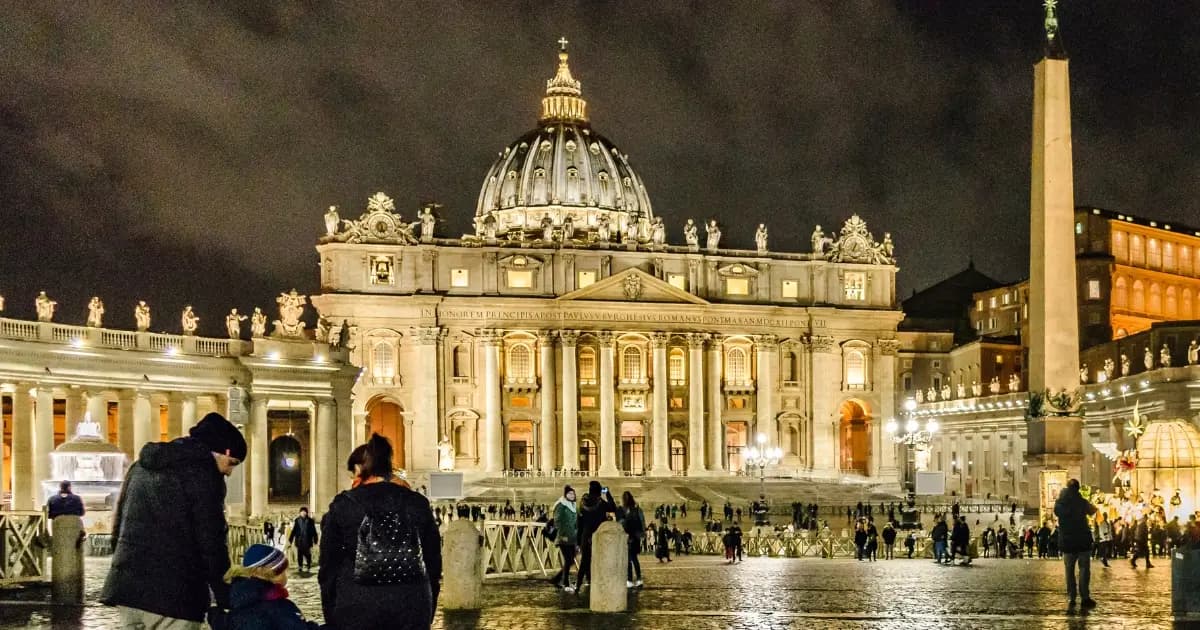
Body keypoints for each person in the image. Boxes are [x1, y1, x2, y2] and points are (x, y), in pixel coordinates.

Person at [101, 412, 246, 628]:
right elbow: (211, 543)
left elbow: (118, 526)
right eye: (232, 462)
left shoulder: (139, 467)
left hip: (128, 593)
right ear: (221, 451)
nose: (230, 472)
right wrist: (225, 596)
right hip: (175, 594)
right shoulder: (204, 476)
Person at [318, 434, 442, 629]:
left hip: (356, 604)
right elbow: (433, 561)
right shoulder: (417, 503)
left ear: (359, 469)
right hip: (412, 604)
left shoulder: (343, 505)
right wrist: (428, 603)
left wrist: (332, 611)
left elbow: (328, 566)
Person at [219, 543, 319, 629]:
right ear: (265, 574)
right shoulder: (280, 607)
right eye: (281, 572)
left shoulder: (238, 601)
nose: (285, 576)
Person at [1054, 478, 1098, 609]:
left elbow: (1056, 512)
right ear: (1078, 488)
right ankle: (1085, 597)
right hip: (1082, 540)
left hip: (1067, 541)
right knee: (1084, 570)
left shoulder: (1060, 503)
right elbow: (1092, 510)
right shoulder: (1081, 501)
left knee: (1069, 571)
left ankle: (1071, 597)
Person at [574, 481, 616, 592]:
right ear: (599, 491)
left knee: (584, 562)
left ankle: (578, 585)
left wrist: (578, 540)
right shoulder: (601, 502)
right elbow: (613, 508)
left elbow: (579, 523)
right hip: (598, 535)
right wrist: (607, 493)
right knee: (601, 560)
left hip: (585, 535)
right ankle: (601, 584)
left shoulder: (582, 504)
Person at [552, 486, 579, 592]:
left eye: (573, 494)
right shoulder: (561, 505)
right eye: (570, 494)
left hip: (572, 537)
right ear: (565, 495)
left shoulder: (573, 505)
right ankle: (565, 583)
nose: (572, 495)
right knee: (569, 560)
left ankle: (557, 579)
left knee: (571, 560)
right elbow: (557, 521)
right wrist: (561, 534)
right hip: (563, 537)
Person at [618, 491, 646, 588]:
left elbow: (620, 522)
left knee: (629, 559)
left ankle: (630, 579)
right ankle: (638, 579)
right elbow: (642, 521)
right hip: (634, 536)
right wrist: (642, 533)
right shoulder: (636, 509)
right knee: (633, 559)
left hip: (628, 536)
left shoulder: (624, 509)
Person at [287, 507, 319, 572]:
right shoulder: (297, 520)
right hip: (299, 540)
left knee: (308, 554)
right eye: (302, 512)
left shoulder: (310, 521)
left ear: (307, 513)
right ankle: (300, 566)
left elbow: (314, 531)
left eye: (305, 512)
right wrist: (290, 540)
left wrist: (315, 540)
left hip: (307, 540)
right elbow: (294, 531)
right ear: (300, 513)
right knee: (300, 555)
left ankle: (308, 565)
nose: (303, 513)